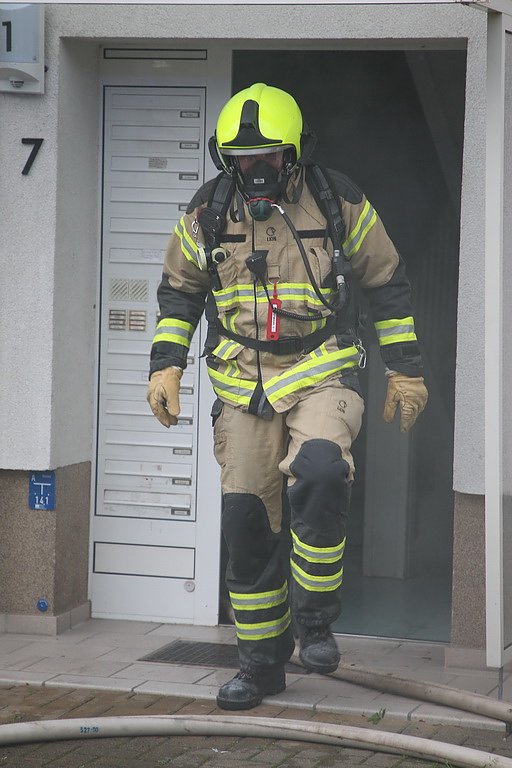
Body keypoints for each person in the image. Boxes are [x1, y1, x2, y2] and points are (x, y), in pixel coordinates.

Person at [147, 83, 428, 711]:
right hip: (242, 386)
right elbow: (179, 291)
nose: (254, 169)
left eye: (267, 157)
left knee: (322, 472)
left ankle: (316, 621)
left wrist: (404, 370)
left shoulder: (338, 201)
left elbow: (387, 282)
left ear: (293, 153)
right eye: (241, 159)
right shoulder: (210, 210)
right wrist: (166, 366)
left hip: (321, 371)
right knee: (247, 524)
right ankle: (260, 666)